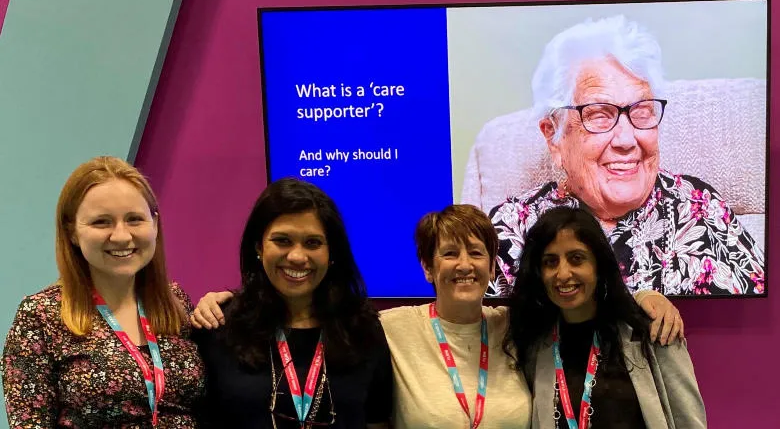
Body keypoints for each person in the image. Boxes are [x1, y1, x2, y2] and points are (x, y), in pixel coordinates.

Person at [192, 203, 685, 428]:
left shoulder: (523, 329)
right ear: (428, 266)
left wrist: (647, 296)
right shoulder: (387, 327)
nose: (464, 265)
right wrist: (224, 300)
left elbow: (587, 311)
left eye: (477, 252)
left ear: (494, 264)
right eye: (449, 253)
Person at [487, 15, 764, 297]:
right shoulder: (512, 230)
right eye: (598, 115)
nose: (626, 140)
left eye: (641, 112)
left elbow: (757, 323)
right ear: (553, 136)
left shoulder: (699, 208)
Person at [1, 156, 205, 428]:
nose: (121, 236)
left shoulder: (175, 302)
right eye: (101, 222)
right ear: (72, 231)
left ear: (154, 224)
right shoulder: (40, 316)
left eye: (134, 219)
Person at [192, 177, 392, 428]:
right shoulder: (218, 325)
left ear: (331, 254)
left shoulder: (363, 329)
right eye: (282, 240)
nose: (297, 256)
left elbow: (377, 421)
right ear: (258, 247)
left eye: (313, 243)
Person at [504, 206, 706, 428]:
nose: (562, 274)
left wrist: (648, 295)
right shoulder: (533, 344)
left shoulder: (652, 329)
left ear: (598, 265)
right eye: (550, 262)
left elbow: (689, 421)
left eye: (576, 258)